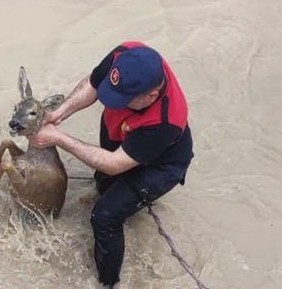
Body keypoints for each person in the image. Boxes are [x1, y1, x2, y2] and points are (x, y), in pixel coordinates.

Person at [31, 41, 194, 287]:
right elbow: (94, 83)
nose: (111, 100)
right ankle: (125, 203)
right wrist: (59, 114)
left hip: (161, 165)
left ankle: (108, 282)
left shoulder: (165, 121)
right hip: (126, 134)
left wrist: (59, 138)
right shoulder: (127, 54)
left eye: (123, 99)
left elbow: (115, 164)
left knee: (105, 216)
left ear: (151, 96)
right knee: (103, 184)